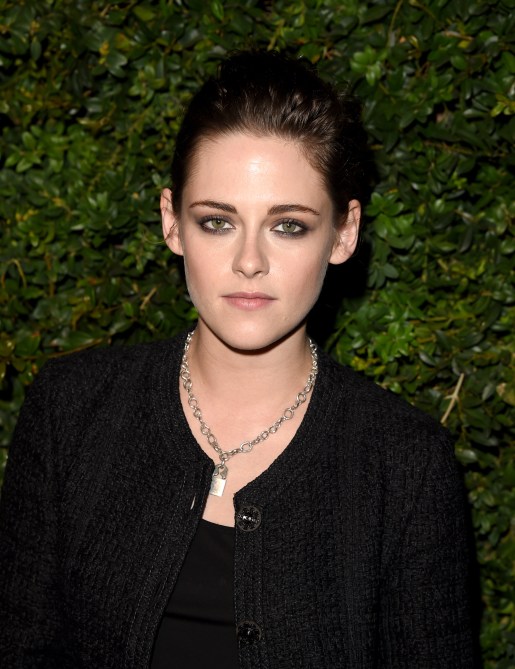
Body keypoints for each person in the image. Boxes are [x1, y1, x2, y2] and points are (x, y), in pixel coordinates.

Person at [0, 50, 475, 668]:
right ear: (172, 222)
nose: (249, 261)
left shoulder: (405, 465)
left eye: (289, 226)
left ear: (344, 233)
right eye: (217, 222)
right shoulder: (71, 410)